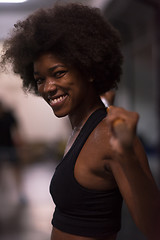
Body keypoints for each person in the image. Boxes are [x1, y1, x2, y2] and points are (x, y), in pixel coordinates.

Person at [0, 3, 160, 240]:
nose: (48, 87)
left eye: (59, 73)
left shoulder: (108, 136)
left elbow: (154, 227)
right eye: (40, 79)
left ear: (89, 69)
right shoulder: (81, 126)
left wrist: (126, 155)